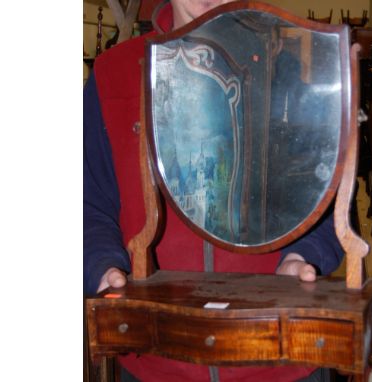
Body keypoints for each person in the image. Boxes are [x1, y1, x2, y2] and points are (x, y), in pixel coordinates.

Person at [84, 0, 344, 380]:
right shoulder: (113, 74)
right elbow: (87, 201)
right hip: (156, 359)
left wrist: (304, 254)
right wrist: (103, 266)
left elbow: (326, 201)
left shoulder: (288, 68)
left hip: (279, 358)